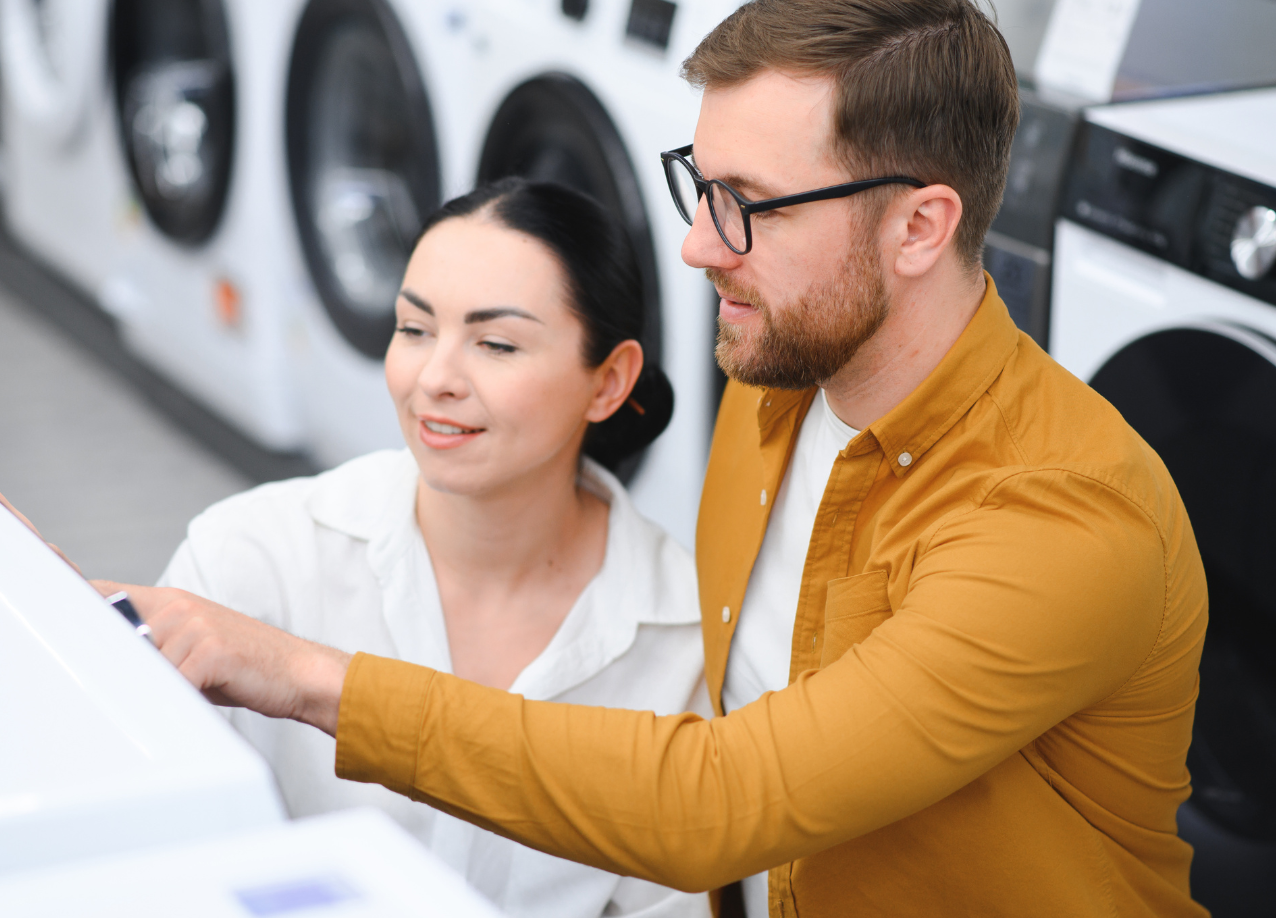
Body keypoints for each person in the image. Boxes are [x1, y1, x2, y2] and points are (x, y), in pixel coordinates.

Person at [102, 2, 1210, 916]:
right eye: (699, 182)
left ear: (919, 228)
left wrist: (303, 674)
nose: (694, 244)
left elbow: (721, 803)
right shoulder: (774, 390)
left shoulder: (1061, 514)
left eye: (751, 208)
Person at [0, 179, 710, 918]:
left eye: (495, 343)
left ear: (609, 382)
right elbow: (146, 860)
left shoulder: (682, 639)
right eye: (414, 330)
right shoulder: (251, 558)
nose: (435, 379)